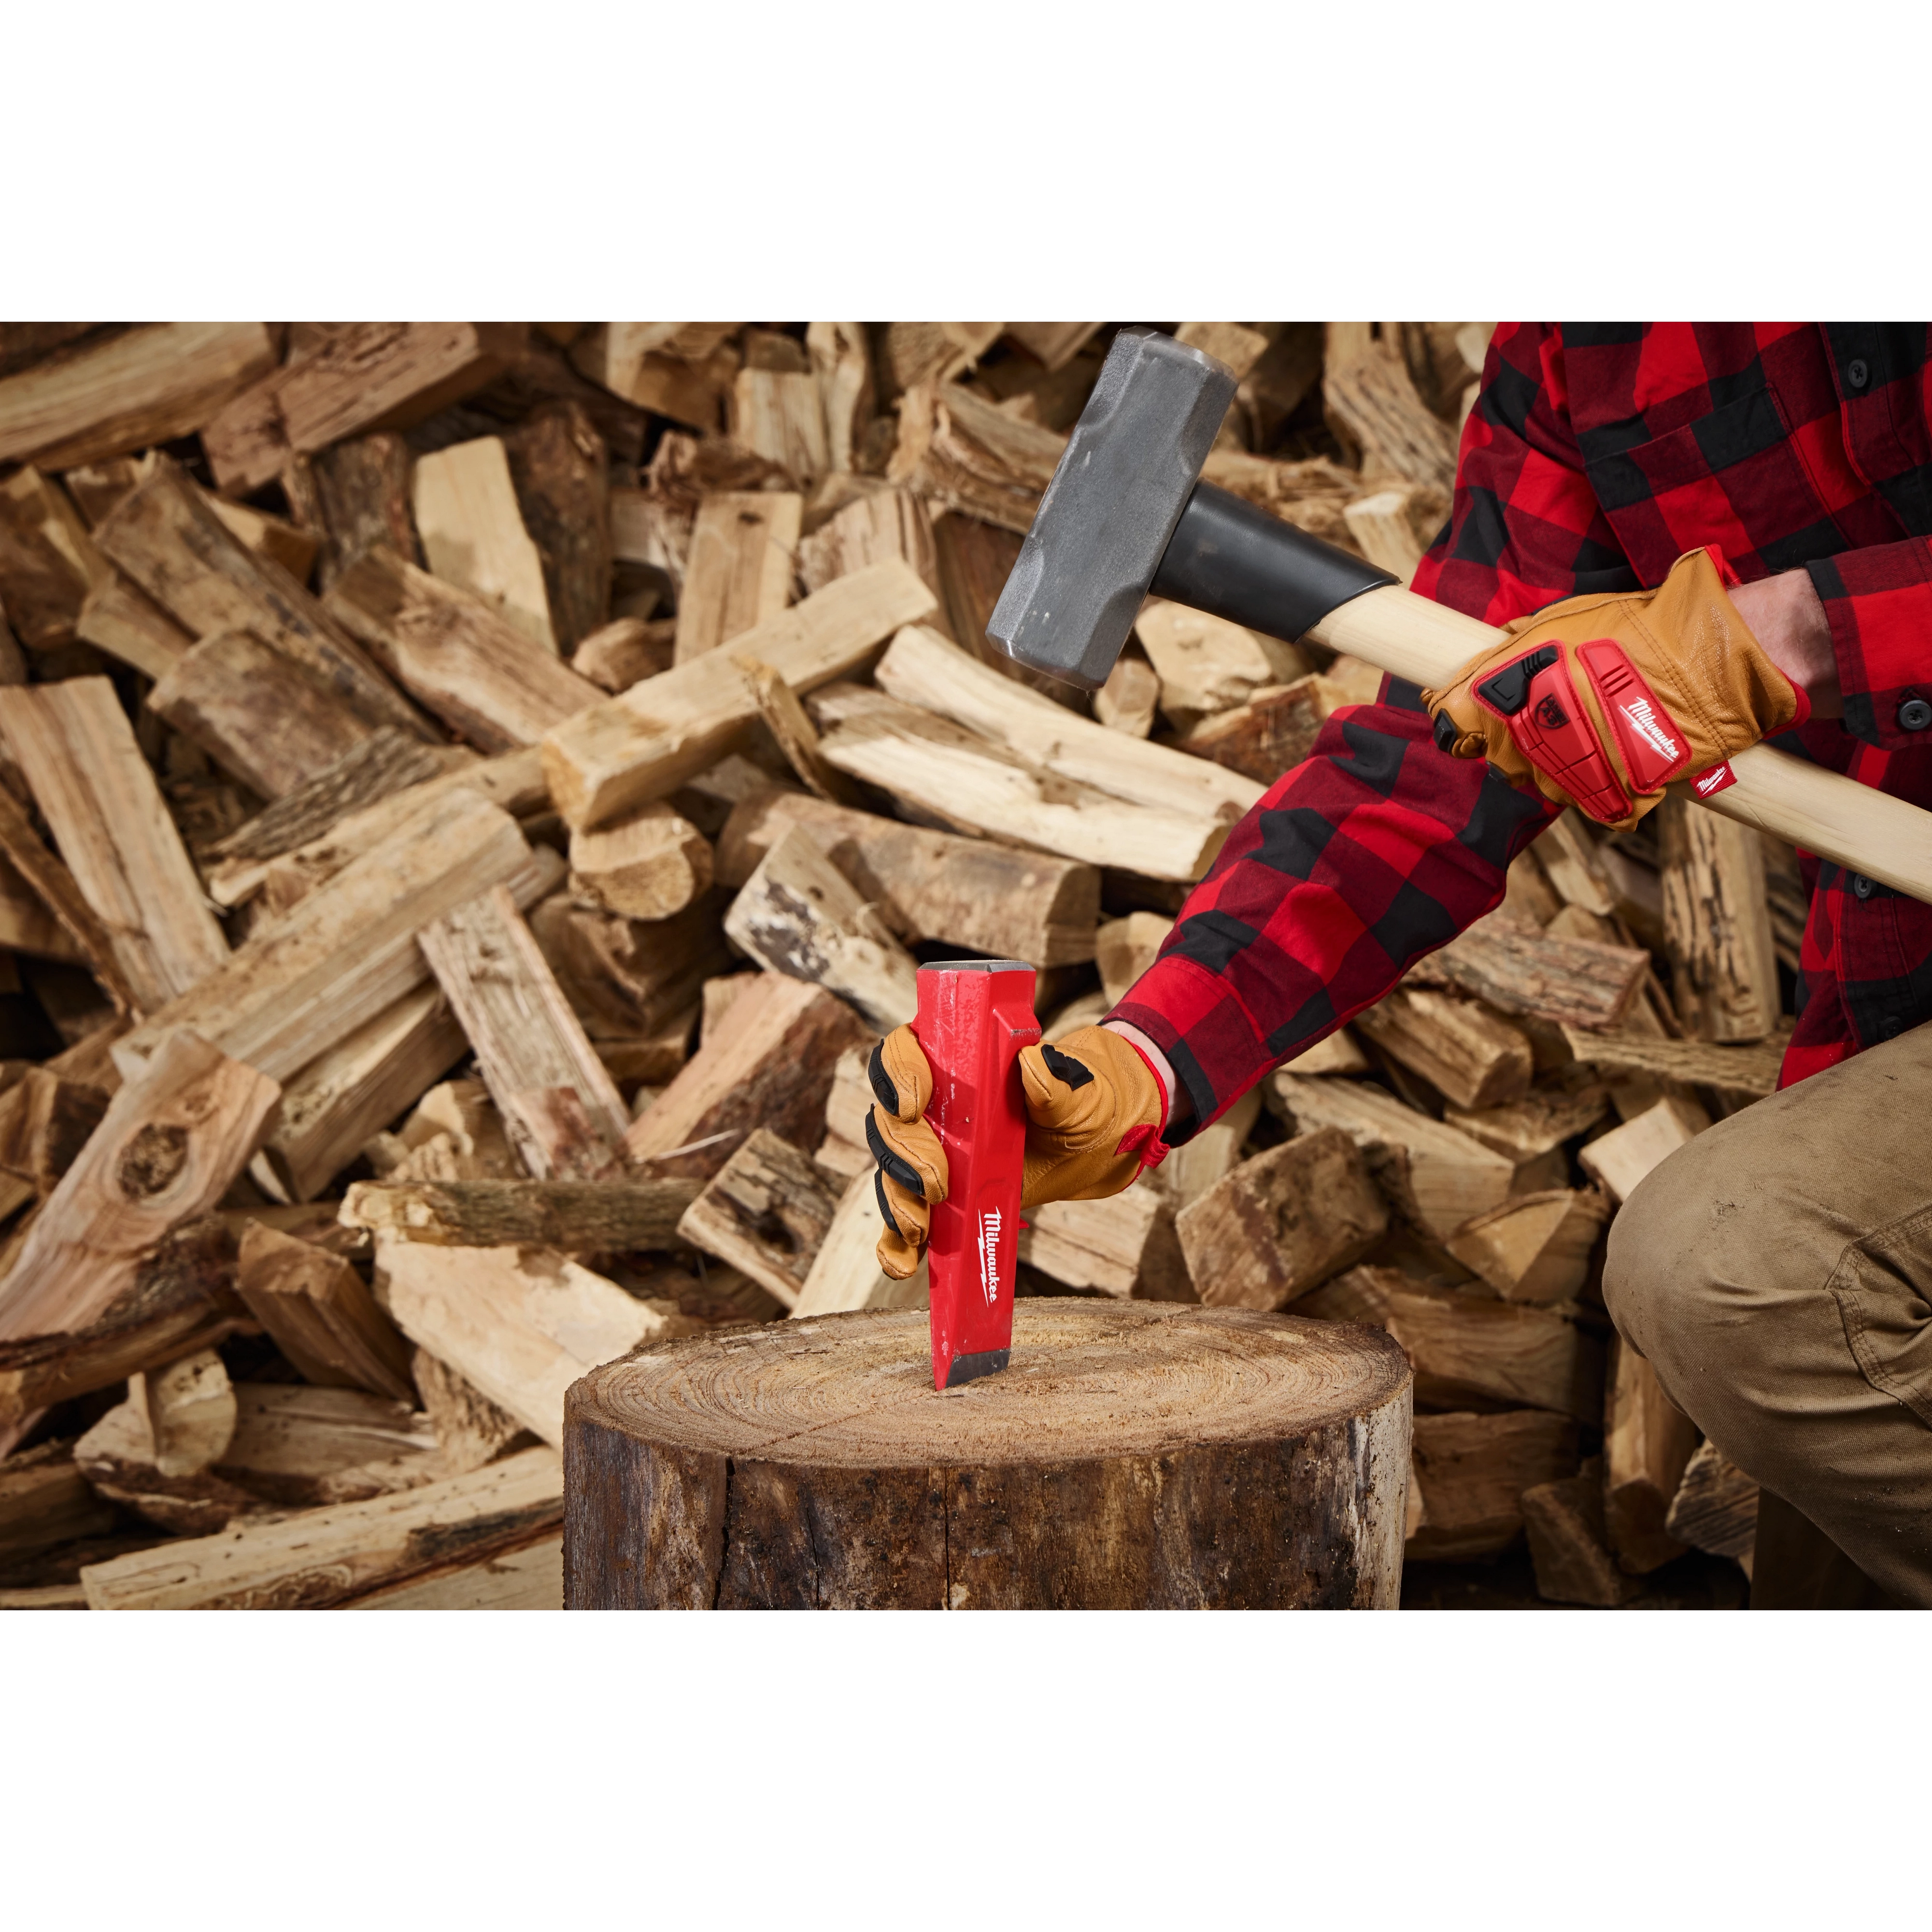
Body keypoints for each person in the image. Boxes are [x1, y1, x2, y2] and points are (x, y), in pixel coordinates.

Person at [867, 323, 1932, 1609]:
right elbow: (1436, 762)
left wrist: (1814, 632)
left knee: (1733, 1264)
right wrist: (1152, 1056)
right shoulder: (1592, 353)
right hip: (1897, 1003)